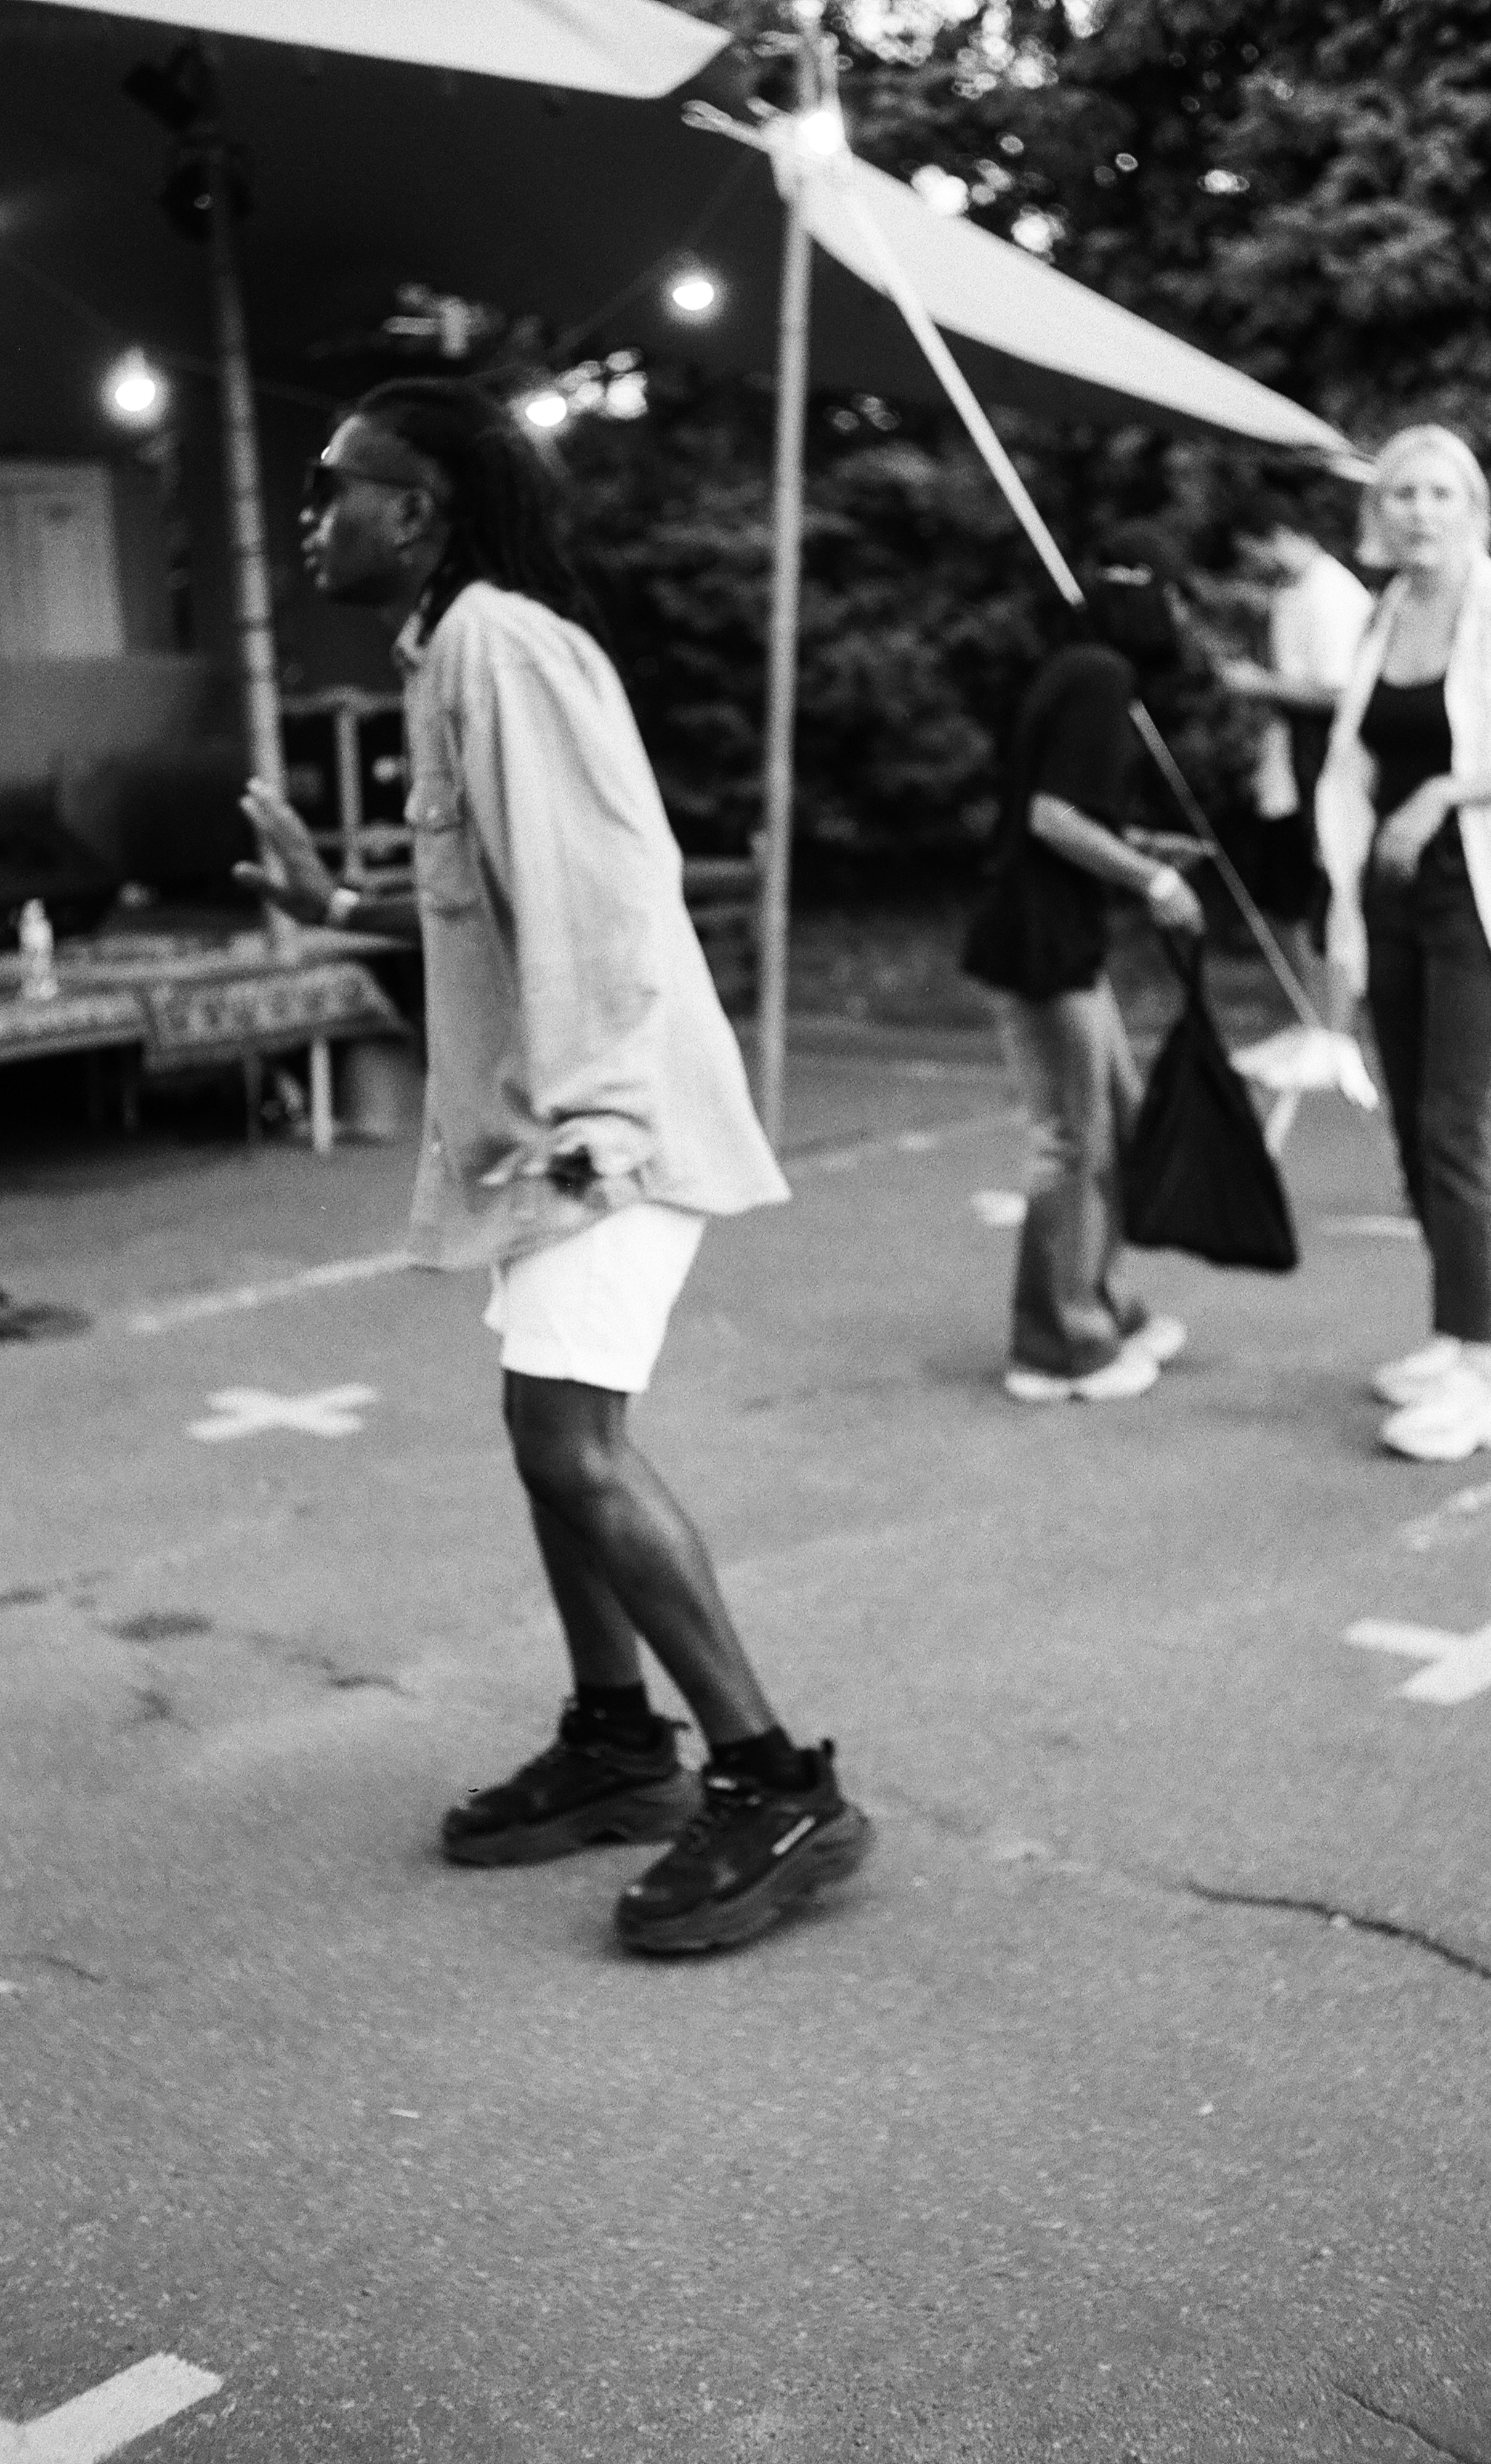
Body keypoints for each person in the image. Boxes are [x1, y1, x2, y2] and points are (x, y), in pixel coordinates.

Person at [235, 379, 872, 1951]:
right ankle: (615, 1742)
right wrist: (340, 907)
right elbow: (490, 894)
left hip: (602, 1119)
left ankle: (774, 1783)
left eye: (334, 487)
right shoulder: (453, 649)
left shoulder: (499, 648)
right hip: (557, 1120)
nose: (312, 515)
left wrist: (597, 1117)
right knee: (546, 1439)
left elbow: (603, 887)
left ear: (419, 510)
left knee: (572, 1443)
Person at [1315, 424, 1491, 1462]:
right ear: (1377, 512)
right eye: (1401, 494)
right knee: (1410, 1130)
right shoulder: (1382, 614)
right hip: (1390, 897)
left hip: (1475, 896)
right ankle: (1471, 1338)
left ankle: (1481, 1385)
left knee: (1455, 1128)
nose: (1419, 511)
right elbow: (1352, 763)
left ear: (1473, 507)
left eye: (1439, 494)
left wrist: (1442, 794)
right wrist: (1344, 889)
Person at [961, 522, 1206, 1402]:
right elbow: (1053, 819)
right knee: (1070, 1140)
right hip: (1040, 942)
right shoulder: (1100, 676)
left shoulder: (1078, 669)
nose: (1183, 616)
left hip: (1057, 932)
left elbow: (1067, 810)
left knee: (1119, 1126)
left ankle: (1100, 1302)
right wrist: (1153, 881)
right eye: (1176, 597)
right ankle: (1056, 1345)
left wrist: (1138, 846)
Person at [1216, 489, 1371, 1005]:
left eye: (1252, 551)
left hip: (1326, 758)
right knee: (1285, 896)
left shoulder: (1333, 595)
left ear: (1279, 537)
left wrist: (1257, 684)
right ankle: (1311, 1018)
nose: (1251, 565)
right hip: (1289, 760)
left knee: (1327, 895)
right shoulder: (1290, 591)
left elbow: (1343, 693)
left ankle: (1335, 1027)